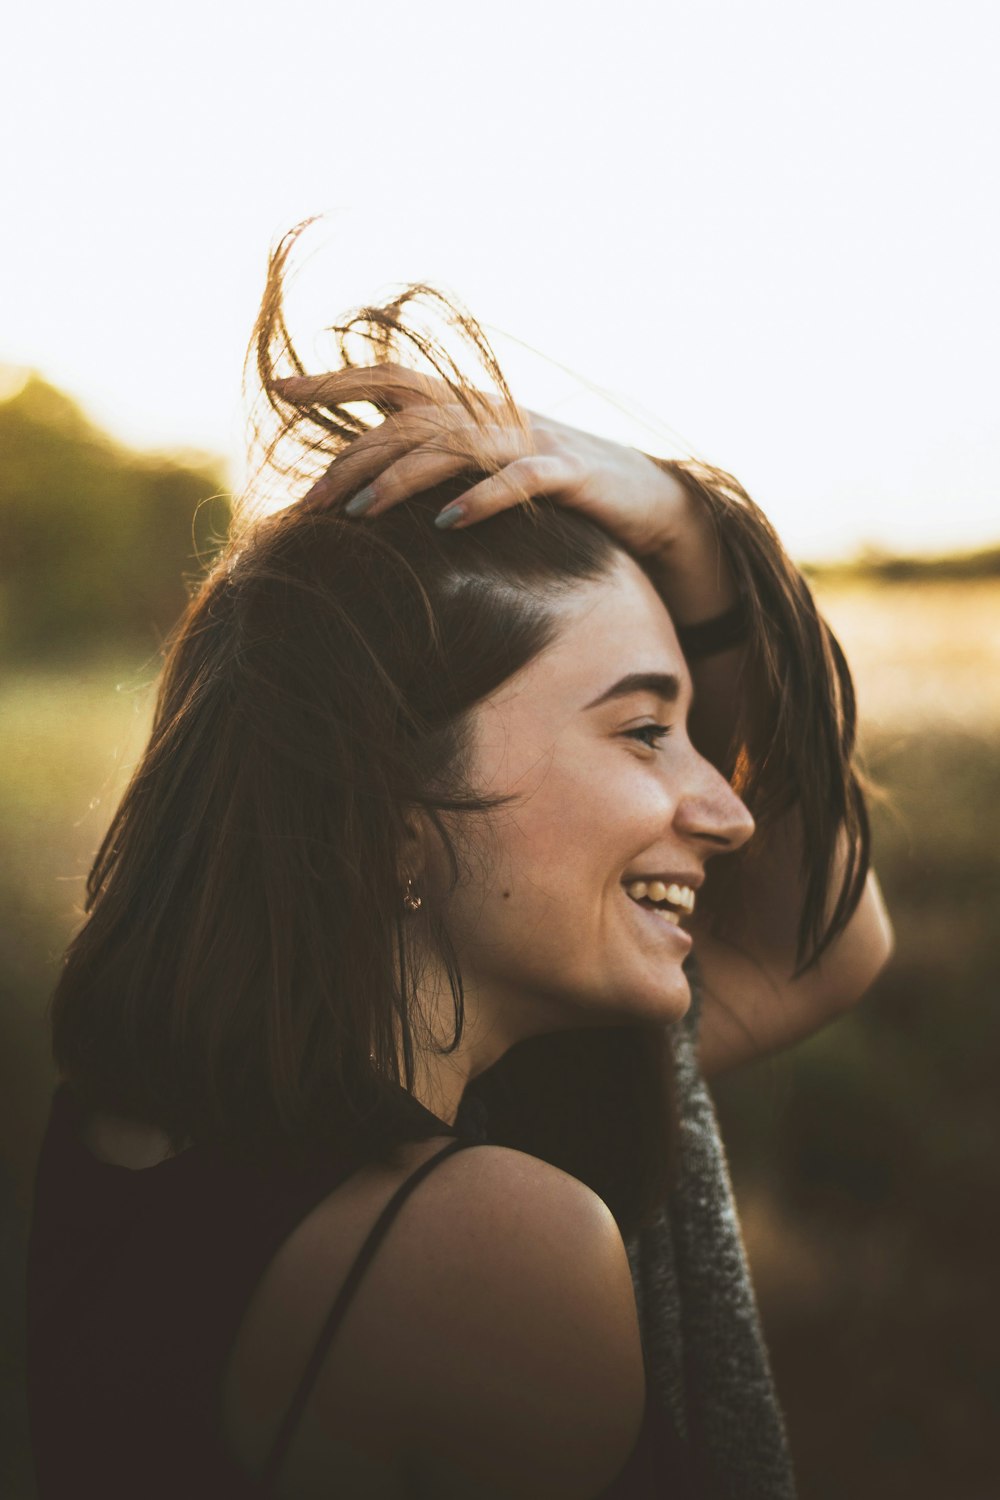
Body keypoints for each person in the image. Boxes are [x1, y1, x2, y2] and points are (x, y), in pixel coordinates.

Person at [26, 222, 894, 1500]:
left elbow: (820, 939)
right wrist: (692, 528)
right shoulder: (493, 1254)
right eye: (647, 730)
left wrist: (686, 533)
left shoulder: (147, 1115)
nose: (728, 809)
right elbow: (830, 939)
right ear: (386, 802)